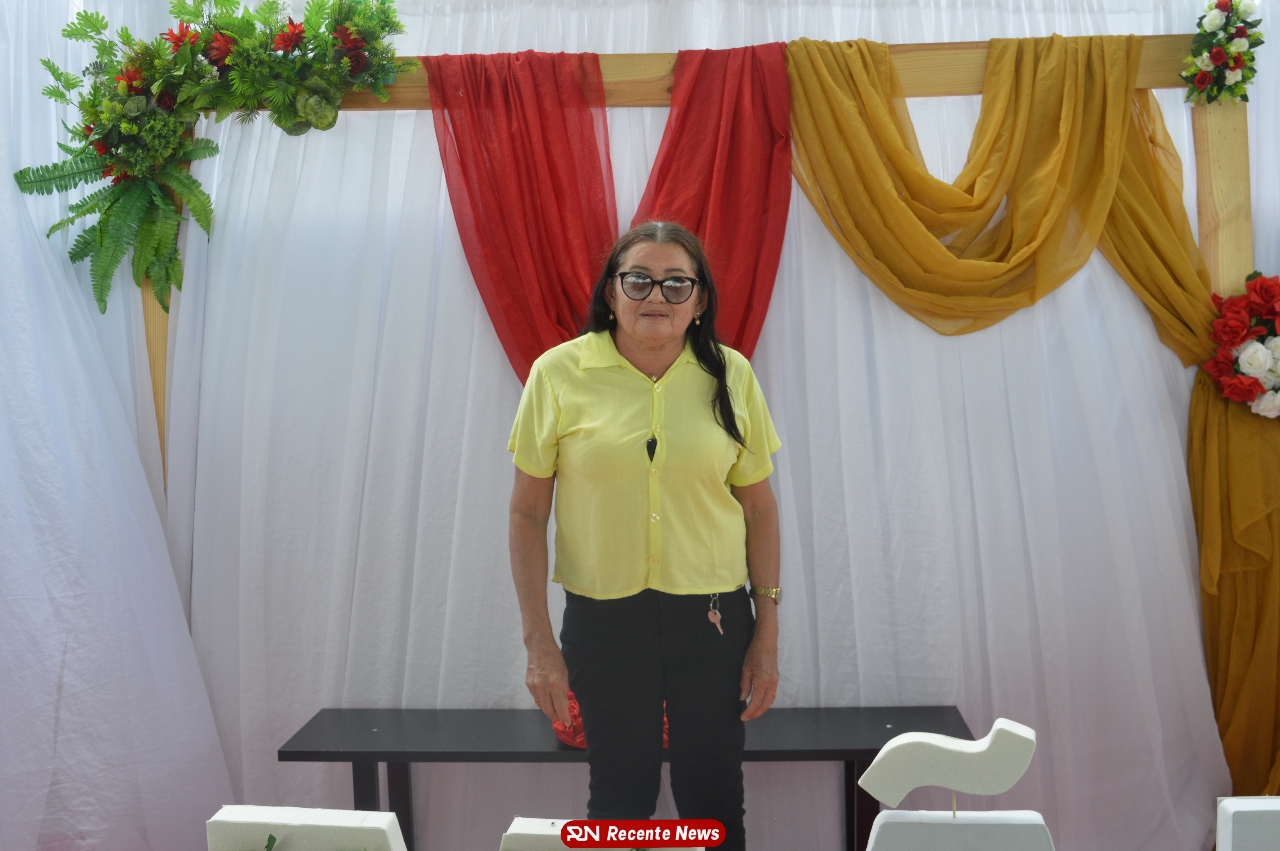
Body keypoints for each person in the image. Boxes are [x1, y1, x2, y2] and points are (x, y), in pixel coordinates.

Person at [508, 221, 782, 850]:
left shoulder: (731, 375)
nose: (656, 296)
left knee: (713, 801)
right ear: (611, 292)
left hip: (713, 622)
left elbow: (760, 511)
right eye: (639, 280)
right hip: (605, 624)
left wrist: (767, 630)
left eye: (676, 283)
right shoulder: (558, 374)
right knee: (618, 802)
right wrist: (537, 642)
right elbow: (526, 515)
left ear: (700, 300)